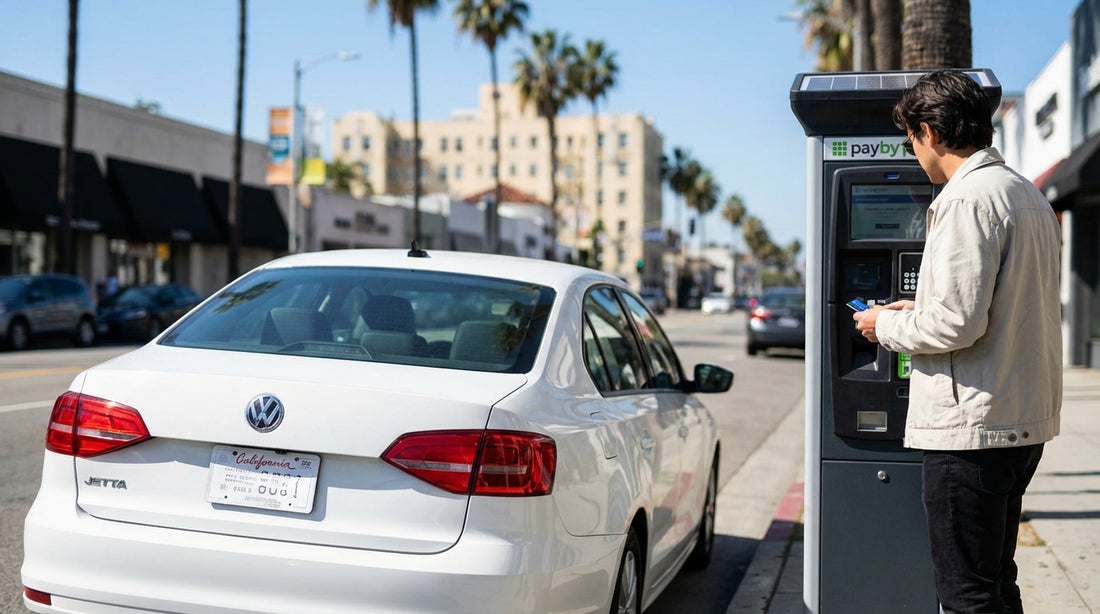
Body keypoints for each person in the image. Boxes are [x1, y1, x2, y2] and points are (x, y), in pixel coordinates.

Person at [852, 70, 1062, 614]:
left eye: (911, 141)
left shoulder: (965, 199)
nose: (915, 153)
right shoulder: (1026, 193)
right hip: (1019, 418)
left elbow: (957, 325)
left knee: (966, 595)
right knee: (996, 582)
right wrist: (919, 310)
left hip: (969, 431)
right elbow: (997, 306)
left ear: (930, 132)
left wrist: (884, 326)